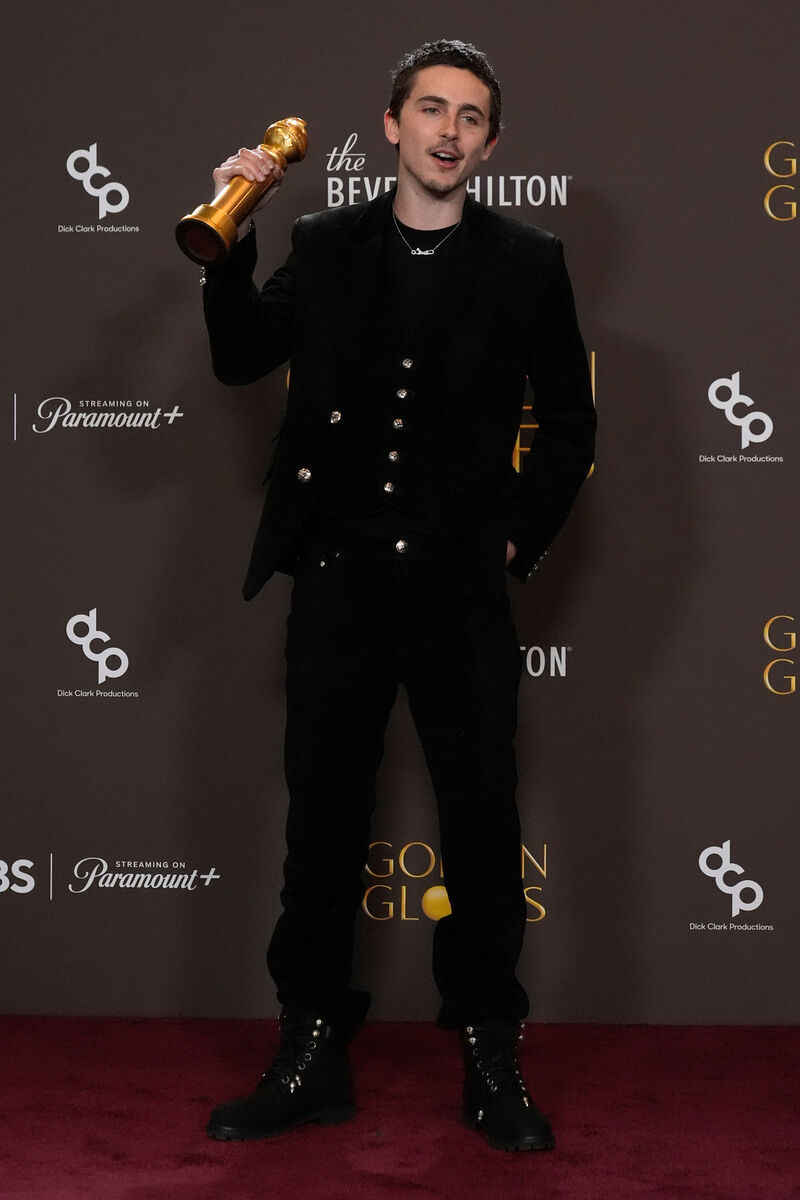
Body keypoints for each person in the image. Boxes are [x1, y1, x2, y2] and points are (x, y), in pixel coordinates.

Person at [200, 39, 596, 1153]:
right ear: (388, 122)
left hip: (460, 591)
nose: (446, 131)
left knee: (479, 823)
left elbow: (570, 419)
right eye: (429, 108)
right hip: (337, 580)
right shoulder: (325, 246)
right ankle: (312, 1048)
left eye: (469, 117)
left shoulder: (528, 260)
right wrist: (226, 244)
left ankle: (488, 1054)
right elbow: (240, 358)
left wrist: (513, 537)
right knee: (323, 822)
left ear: (489, 143)